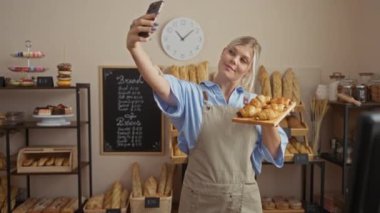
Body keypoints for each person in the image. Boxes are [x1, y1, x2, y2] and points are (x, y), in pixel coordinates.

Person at [127, 13, 288, 213]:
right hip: (199, 199)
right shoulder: (193, 95)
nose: (234, 61)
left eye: (243, 60)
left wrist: (269, 121)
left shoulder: (257, 104)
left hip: (243, 200)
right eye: (232, 52)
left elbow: (274, 153)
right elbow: (160, 84)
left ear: (247, 70)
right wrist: (134, 46)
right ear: (222, 53)